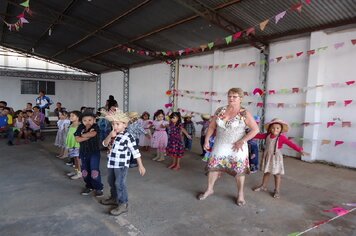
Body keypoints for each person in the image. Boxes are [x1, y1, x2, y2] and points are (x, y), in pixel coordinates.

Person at [198, 88, 259, 206]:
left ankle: (240, 194)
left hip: (237, 146)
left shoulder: (244, 113)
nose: (231, 98)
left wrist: (242, 140)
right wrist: (206, 140)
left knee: (239, 170)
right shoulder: (220, 110)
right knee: (213, 167)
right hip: (220, 144)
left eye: (234, 97)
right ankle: (210, 189)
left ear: (241, 98)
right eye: (229, 96)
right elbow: (211, 127)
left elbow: (255, 129)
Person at [100, 109, 146, 216]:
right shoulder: (113, 134)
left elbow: (136, 152)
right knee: (111, 181)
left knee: (119, 183)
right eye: (113, 124)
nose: (115, 126)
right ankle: (114, 198)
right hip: (111, 163)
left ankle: (123, 204)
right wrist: (110, 136)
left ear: (125, 125)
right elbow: (104, 144)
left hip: (121, 165)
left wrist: (141, 165)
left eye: (117, 124)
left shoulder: (128, 137)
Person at [252, 118, 308, 199]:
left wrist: (300, 150)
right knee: (266, 172)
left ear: (281, 129)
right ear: (270, 128)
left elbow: (291, 144)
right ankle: (263, 186)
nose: (275, 129)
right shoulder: (267, 135)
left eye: (278, 128)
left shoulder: (282, 138)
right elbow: (257, 135)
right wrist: (248, 133)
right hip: (267, 156)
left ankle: (277, 190)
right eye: (273, 128)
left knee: (277, 174)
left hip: (276, 157)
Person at [74, 111, 104, 197]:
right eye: (85, 120)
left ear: (94, 120)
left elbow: (93, 133)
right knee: (85, 172)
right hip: (83, 153)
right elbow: (77, 139)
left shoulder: (96, 126)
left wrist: (82, 135)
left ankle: (98, 188)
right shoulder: (80, 127)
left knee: (94, 171)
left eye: (90, 120)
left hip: (94, 153)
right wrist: (87, 135)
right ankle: (89, 186)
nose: (87, 122)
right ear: (81, 121)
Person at [65, 111, 82, 180]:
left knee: (77, 159)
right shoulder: (71, 124)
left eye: (73, 116)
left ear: (78, 117)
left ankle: (79, 173)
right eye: (70, 116)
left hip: (77, 144)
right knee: (74, 159)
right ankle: (76, 171)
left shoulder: (79, 125)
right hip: (72, 143)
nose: (70, 117)